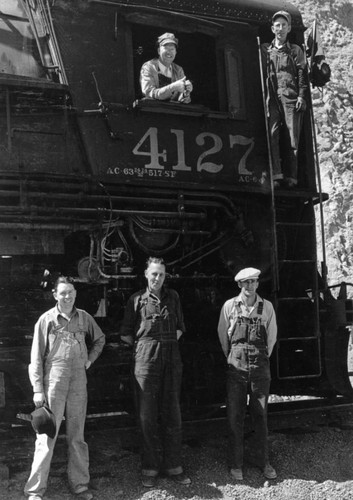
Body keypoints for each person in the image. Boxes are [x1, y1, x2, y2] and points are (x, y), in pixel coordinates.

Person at [24, 276, 106, 500]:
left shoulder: (85, 318)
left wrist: (89, 359)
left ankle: (80, 485)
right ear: (55, 295)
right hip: (54, 383)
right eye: (62, 293)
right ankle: (35, 491)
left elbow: (99, 339)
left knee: (77, 436)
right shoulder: (46, 320)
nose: (67, 296)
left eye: (70, 292)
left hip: (79, 381)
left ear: (75, 293)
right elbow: (36, 358)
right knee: (47, 436)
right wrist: (38, 389)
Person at [120, 257, 191, 488]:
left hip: (172, 358)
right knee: (146, 416)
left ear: (165, 275)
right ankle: (150, 468)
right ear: (146, 274)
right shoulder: (136, 300)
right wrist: (147, 348)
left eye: (161, 274)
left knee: (173, 413)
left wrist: (165, 345)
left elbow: (180, 328)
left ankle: (174, 467)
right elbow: (126, 334)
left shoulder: (174, 297)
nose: (157, 278)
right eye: (154, 274)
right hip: (145, 362)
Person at [217, 267, 277, 481]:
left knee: (260, 415)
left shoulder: (267, 307)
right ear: (239, 285)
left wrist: (259, 358)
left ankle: (263, 462)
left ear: (258, 284)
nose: (249, 286)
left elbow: (271, 338)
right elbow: (223, 336)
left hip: (260, 367)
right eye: (245, 282)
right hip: (237, 367)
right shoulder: (229, 307)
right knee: (235, 416)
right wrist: (234, 357)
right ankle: (236, 464)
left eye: (253, 282)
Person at [262, 11, 308, 188]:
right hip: (272, 95)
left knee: (292, 136)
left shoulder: (296, 50)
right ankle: (276, 173)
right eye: (277, 25)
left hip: (290, 95)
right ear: (273, 28)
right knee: (272, 133)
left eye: (284, 25)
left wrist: (302, 96)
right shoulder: (266, 49)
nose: (280, 29)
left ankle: (292, 176)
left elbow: (302, 74)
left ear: (289, 28)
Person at [140, 32, 193, 103]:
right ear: (159, 51)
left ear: (176, 52)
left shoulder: (178, 70)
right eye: (166, 48)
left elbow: (181, 98)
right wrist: (172, 87)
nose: (169, 52)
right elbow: (148, 93)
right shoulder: (148, 67)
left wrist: (186, 93)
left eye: (172, 49)